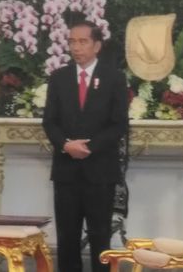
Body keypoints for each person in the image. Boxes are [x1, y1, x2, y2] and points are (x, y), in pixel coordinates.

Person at [42, 20, 128, 272]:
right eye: (72, 41)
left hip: (100, 171)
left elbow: (119, 124)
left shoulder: (114, 78)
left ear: (97, 45)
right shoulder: (59, 78)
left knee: (100, 236)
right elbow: (49, 121)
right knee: (67, 237)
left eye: (83, 41)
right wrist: (66, 145)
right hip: (66, 171)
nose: (76, 47)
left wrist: (89, 147)